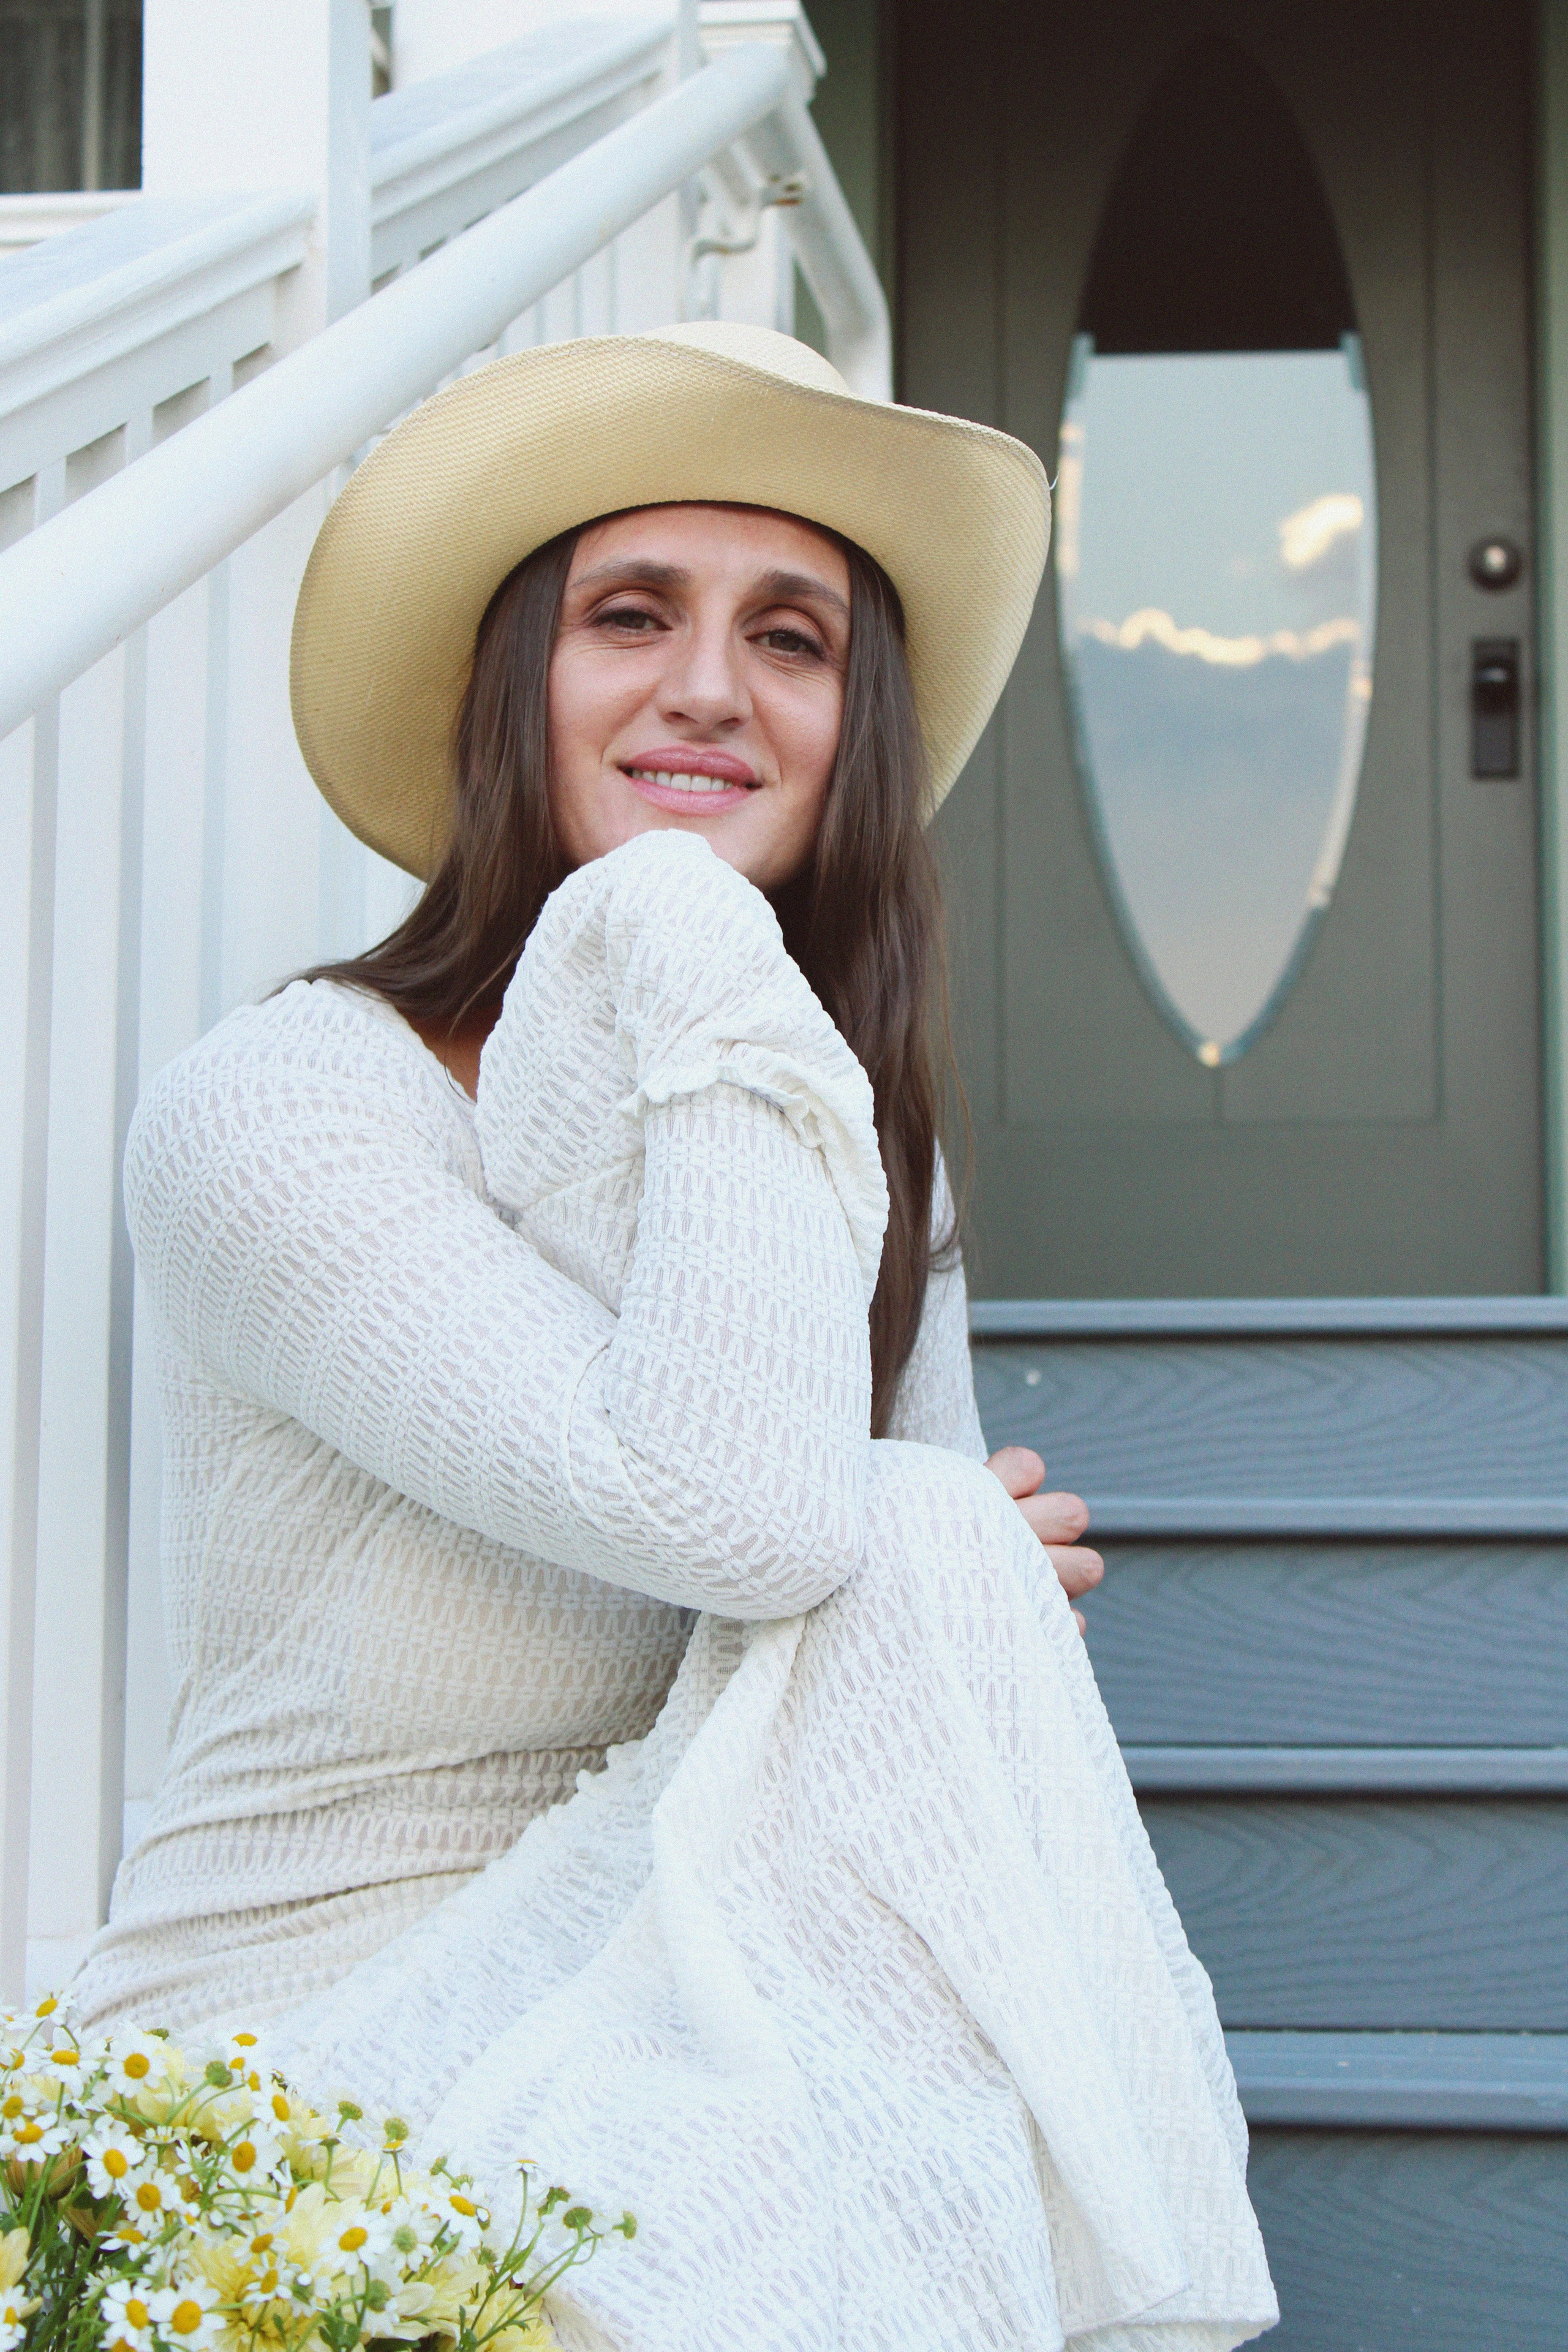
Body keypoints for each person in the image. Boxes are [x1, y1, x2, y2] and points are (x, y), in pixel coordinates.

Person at [74, 323, 1276, 2351]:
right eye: (630, 616)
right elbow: (749, 1519)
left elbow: (893, 1711)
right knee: (914, 1538)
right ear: (511, 693)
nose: (712, 687)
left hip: (691, 2045)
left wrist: (931, 1557)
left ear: (854, 729)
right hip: (299, 2103)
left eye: (793, 639)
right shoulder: (280, 1110)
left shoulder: (810, 1140)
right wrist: (677, 915)